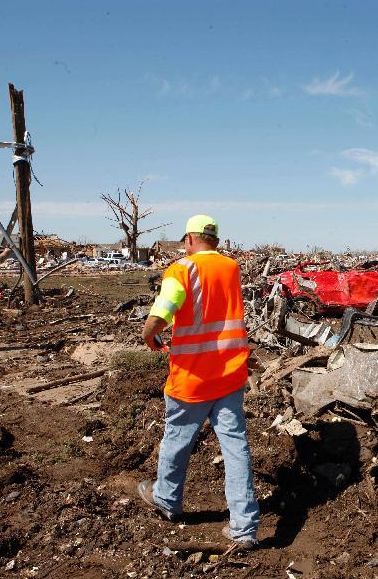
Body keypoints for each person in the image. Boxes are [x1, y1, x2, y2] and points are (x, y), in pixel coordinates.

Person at [137, 214, 260, 548]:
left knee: (178, 439)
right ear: (216, 241)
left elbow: (163, 311)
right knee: (235, 448)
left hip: (192, 377)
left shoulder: (181, 269)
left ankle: (166, 499)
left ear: (189, 239)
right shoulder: (231, 268)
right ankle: (245, 528)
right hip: (231, 373)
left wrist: (149, 336)